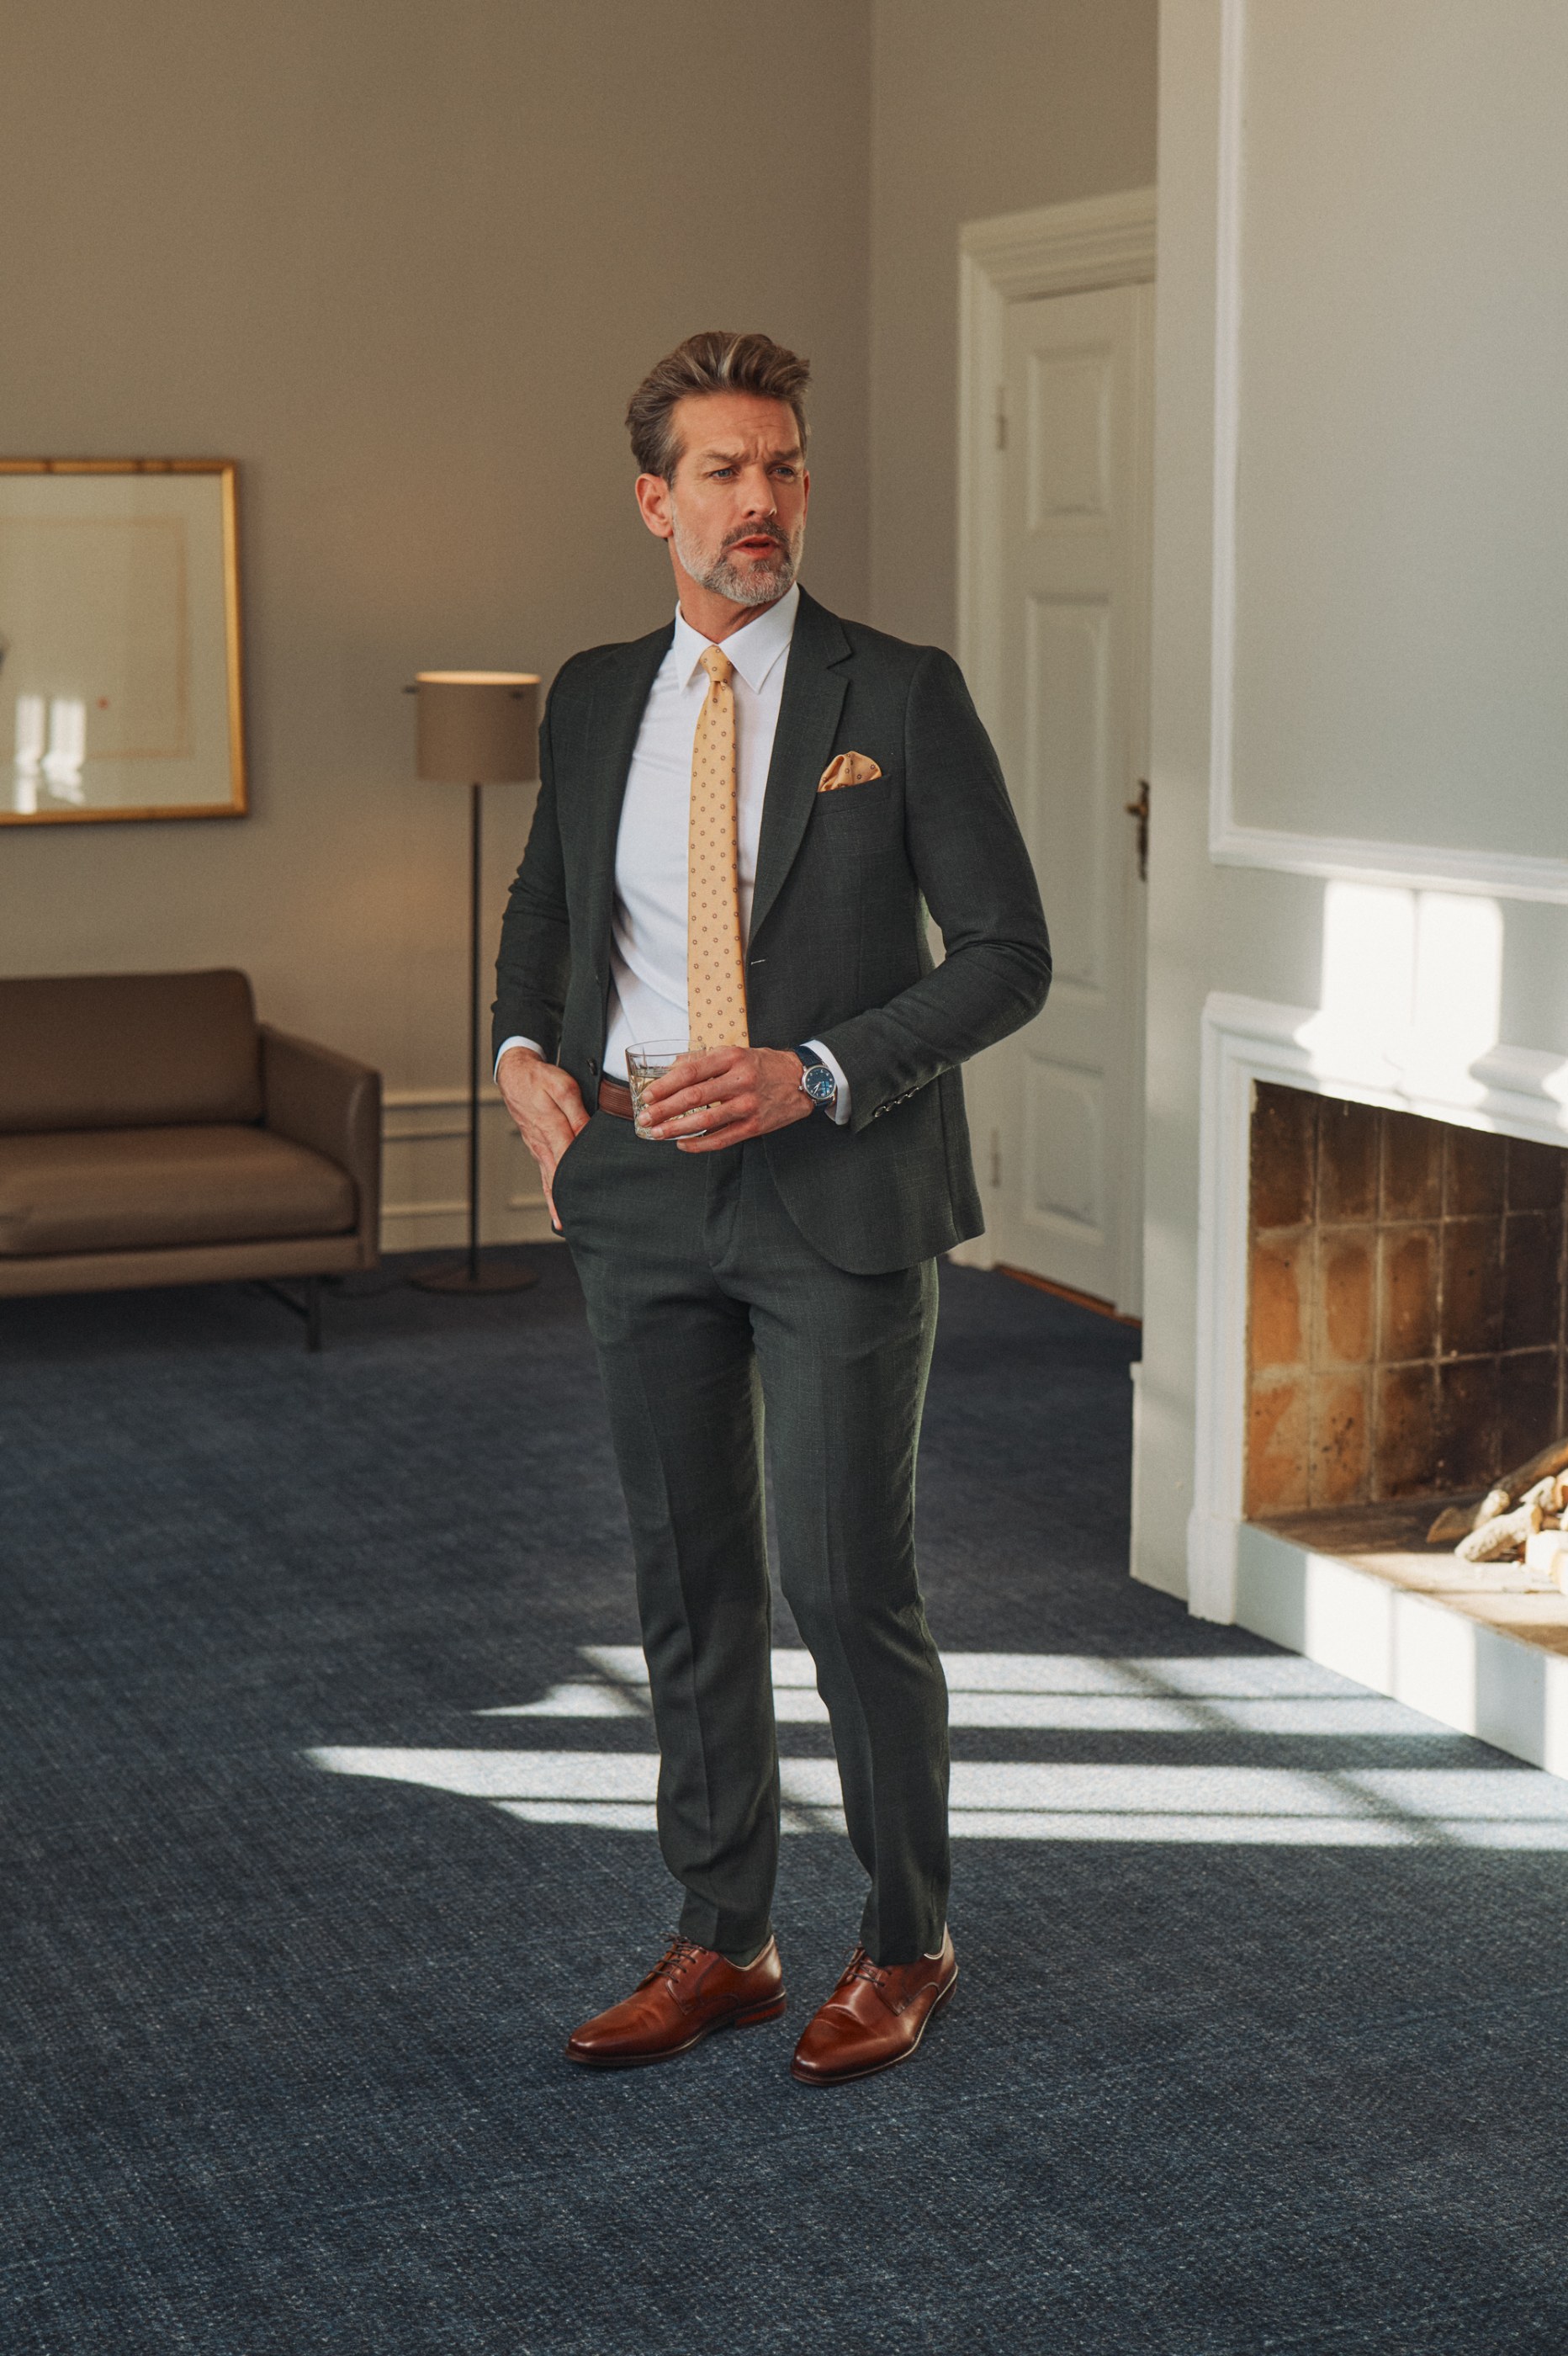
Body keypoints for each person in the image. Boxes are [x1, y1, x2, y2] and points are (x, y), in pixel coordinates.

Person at [492, 331, 1050, 2086]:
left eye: (784, 466)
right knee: (686, 1577)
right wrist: (522, 1057)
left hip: (839, 1187)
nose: (761, 501)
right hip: (641, 1188)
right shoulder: (590, 695)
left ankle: (905, 1939)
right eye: (724, 472)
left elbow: (1010, 958)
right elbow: (543, 912)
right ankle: (721, 1934)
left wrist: (813, 1066)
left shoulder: (898, 694)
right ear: (655, 500)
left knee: (841, 1578)